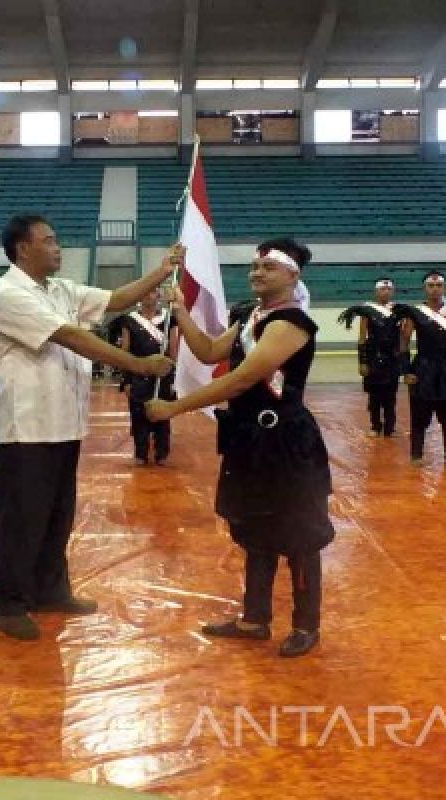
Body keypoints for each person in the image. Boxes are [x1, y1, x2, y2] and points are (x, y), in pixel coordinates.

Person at [0, 213, 176, 641]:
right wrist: (137, 364)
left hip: (64, 421)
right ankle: (10, 600)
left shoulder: (60, 289)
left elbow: (116, 299)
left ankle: (50, 588)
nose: (58, 247)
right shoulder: (8, 294)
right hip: (26, 425)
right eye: (49, 241)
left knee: (56, 513)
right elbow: (70, 336)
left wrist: (160, 272)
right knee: (21, 519)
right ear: (22, 249)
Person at [146, 238, 333, 658]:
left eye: (268, 267)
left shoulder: (291, 323)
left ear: (293, 275)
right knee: (255, 528)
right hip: (249, 438)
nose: (257, 272)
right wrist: (178, 310)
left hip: (285, 441)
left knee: (299, 534)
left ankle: (306, 624)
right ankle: (254, 618)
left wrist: (175, 408)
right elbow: (210, 351)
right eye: (254, 265)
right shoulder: (249, 316)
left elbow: (242, 378)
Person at [396, 270, 446, 466]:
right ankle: (416, 454)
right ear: (424, 288)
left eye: (439, 286)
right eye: (431, 285)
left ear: (445, 288)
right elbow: (403, 341)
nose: (435, 289)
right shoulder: (415, 312)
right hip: (423, 368)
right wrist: (406, 370)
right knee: (419, 415)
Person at [118, 288, 177, 465]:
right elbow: (125, 352)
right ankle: (141, 453)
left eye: (152, 292)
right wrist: (126, 380)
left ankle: (162, 453)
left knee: (163, 414)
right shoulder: (130, 321)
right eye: (144, 292)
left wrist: (172, 376)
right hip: (138, 375)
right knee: (138, 415)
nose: (147, 295)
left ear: (158, 296)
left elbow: (173, 352)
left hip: (163, 376)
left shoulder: (169, 319)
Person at [339, 277, 400, 437]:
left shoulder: (399, 310)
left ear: (393, 292)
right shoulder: (367, 310)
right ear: (376, 291)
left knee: (390, 395)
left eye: (388, 289)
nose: (385, 292)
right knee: (374, 395)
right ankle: (375, 425)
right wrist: (362, 361)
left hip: (392, 358)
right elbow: (362, 337)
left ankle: (389, 427)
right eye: (382, 289)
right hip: (373, 356)